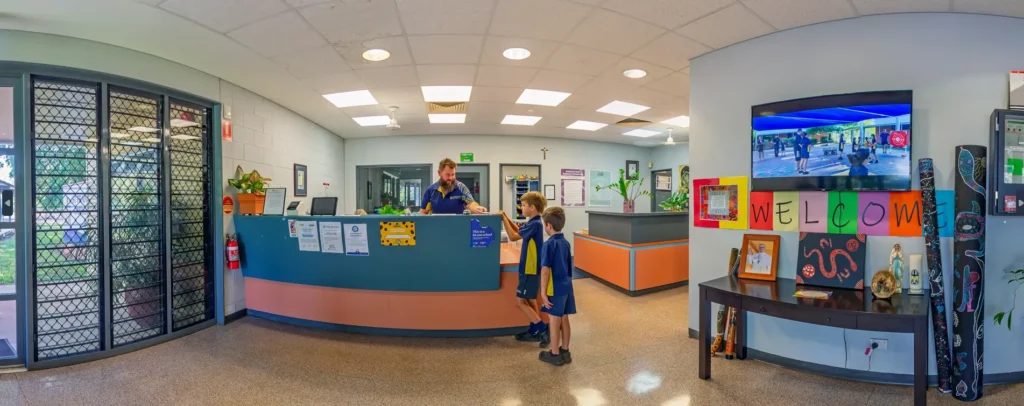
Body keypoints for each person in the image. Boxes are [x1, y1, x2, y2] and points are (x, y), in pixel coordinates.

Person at [498, 192, 549, 345]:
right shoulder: (533, 222)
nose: (522, 208)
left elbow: (513, 236)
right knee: (530, 299)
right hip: (530, 267)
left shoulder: (535, 224)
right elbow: (518, 231)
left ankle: (542, 329)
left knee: (520, 301)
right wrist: (506, 218)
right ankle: (535, 330)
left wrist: (503, 219)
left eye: (524, 205)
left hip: (529, 268)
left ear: (532, 207)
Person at [538, 206, 576, 366]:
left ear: (549, 225)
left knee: (554, 320)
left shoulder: (549, 244)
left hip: (554, 288)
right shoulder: (565, 242)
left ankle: (554, 354)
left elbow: (545, 270)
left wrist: (543, 292)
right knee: (564, 319)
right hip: (567, 286)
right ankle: (565, 351)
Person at [419, 158, 488, 215]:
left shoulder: (461, 188)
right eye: (448, 175)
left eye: (453, 174)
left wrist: (476, 208)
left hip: (457, 226)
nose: (451, 178)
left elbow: (471, 204)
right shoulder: (431, 191)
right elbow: (423, 212)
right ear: (439, 173)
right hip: (437, 226)